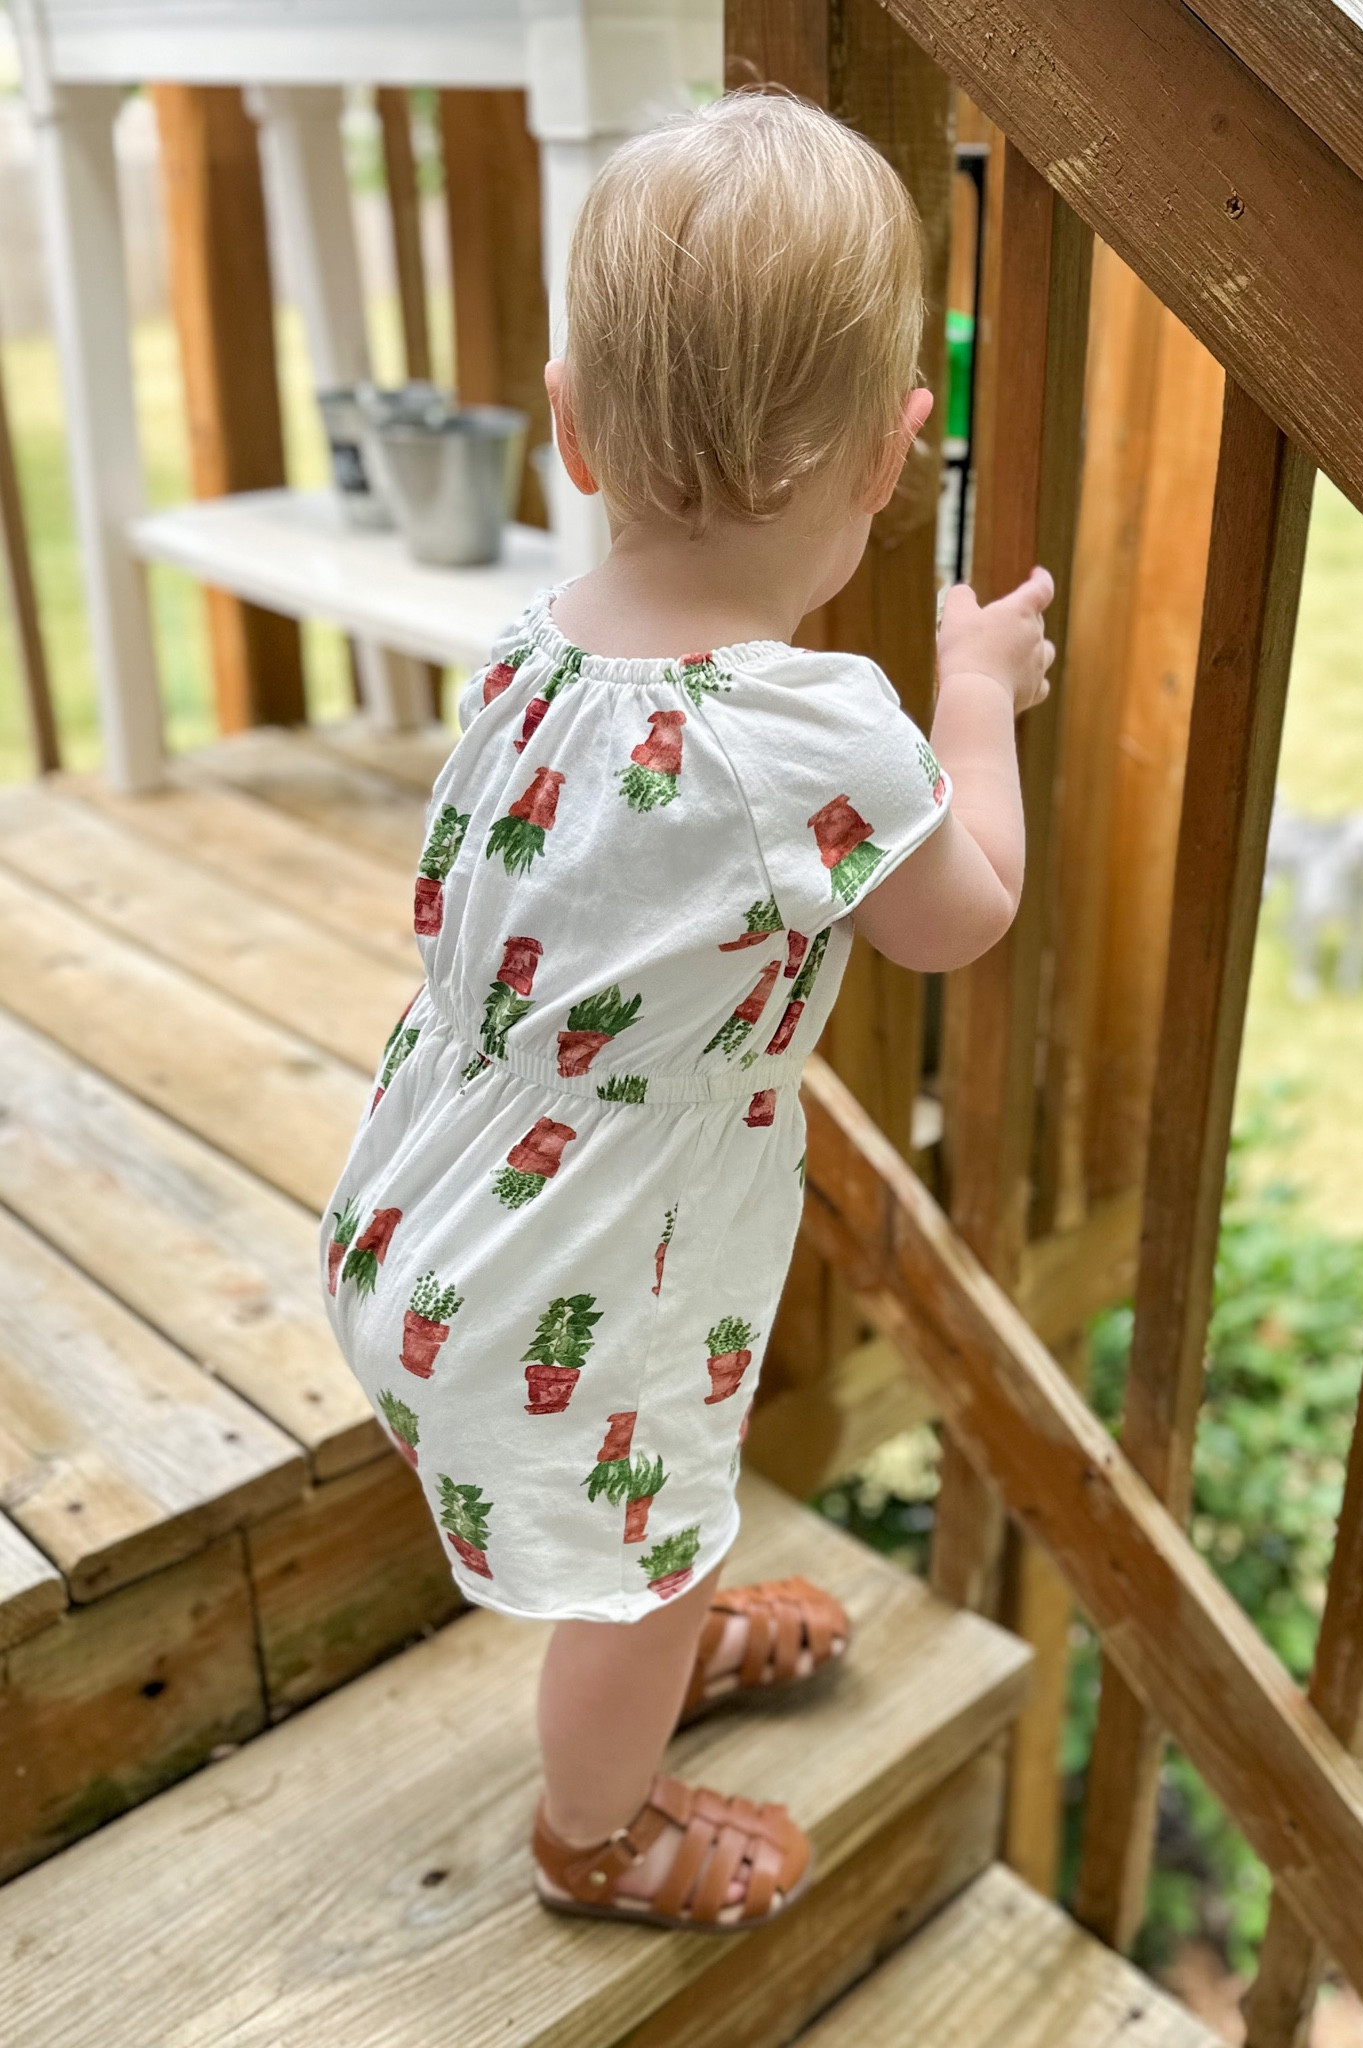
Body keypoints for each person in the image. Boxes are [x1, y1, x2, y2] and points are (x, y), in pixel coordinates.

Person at [321, 88, 1054, 1934]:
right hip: (594, 1258)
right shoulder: (815, 736)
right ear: (902, 453)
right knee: (628, 1575)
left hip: (429, 1203)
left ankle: (662, 1609)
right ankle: (597, 1831)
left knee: (638, 1531)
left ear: (566, 426)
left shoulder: (529, 638)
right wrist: (974, 697)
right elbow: (961, 918)